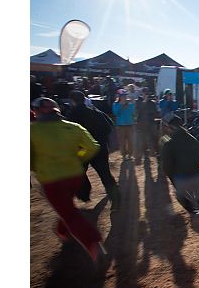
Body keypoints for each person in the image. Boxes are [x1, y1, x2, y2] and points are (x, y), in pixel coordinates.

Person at [31, 98, 104, 262]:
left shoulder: (31, 130)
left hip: (51, 179)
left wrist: (36, 168)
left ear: (37, 112)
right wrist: (77, 158)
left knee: (68, 212)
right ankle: (62, 231)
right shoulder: (73, 127)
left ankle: (92, 242)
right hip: (75, 175)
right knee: (66, 206)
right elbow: (93, 146)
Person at [67, 90, 120, 211]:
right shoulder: (95, 111)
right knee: (105, 175)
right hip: (99, 148)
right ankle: (116, 201)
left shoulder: (71, 115)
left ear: (73, 101)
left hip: (82, 151)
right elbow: (109, 126)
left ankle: (83, 194)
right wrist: (101, 138)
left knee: (78, 172)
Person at [134, 91, 159, 165]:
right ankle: (145, 153)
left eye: (147, 94)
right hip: (142, 124)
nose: (146, 96)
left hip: (151, 123)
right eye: (145, 94)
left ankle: (157, 152)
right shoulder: (138, 102)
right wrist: (144, 102)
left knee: (154, 138)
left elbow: (154, 112)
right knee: (143, 139)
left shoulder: (152, 103)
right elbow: (138, 111)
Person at [112, 90, 136, 160]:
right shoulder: (115, 104)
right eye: (122, 96)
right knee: (122, 141)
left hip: (130, 124)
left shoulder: (130, 104)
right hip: (120, 125)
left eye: (125, 96)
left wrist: (131, 104)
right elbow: (116, 113)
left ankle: (130, 154)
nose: (124, 97)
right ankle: (123, 154)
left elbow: (133, 112)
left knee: (131, 140)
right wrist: (121, 105)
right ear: (119, 97)